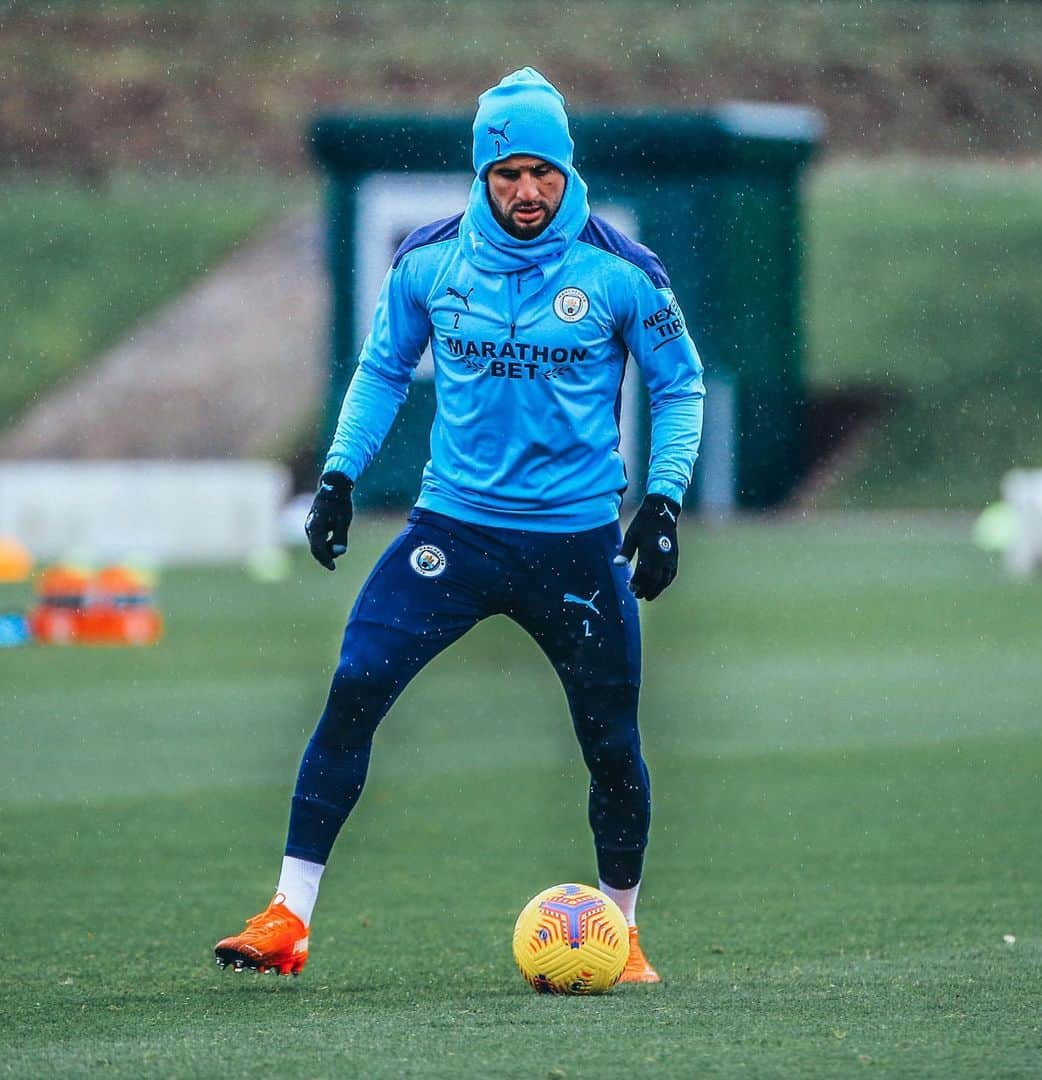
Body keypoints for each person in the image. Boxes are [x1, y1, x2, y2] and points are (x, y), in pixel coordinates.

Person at [214, 67, 704, 985]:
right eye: (508, 172)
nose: (527, 191)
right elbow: (382, 370)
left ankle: (624, 931)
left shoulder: (621, 272)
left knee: (611, 743)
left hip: (575, 546)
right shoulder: (430, 261)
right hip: (455, 534)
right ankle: (288, 917)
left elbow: (680, 386)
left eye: (542, 172)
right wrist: (337, 477)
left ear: (568, 170)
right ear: (481, 176)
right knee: (355, 684)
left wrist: (665, 501)